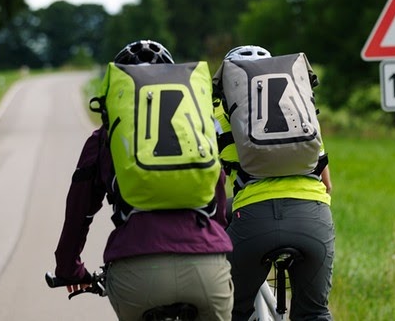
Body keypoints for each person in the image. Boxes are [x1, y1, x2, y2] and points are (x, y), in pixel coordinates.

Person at [53, 40, 234, 321]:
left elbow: (78, 212)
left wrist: (68, 268)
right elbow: (218, 199)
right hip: (206, 269)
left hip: (135, 271)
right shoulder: (199, 130)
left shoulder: (104, 138)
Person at [212, 45, 335, 320]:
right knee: (315, 313)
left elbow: (210, 193)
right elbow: (327, 184)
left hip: (252, 220)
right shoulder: (301, 115)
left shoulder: (218, 119)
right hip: (313, 217)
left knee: (231, 311)